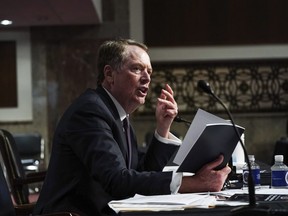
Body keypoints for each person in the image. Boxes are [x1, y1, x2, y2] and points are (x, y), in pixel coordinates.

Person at [33, 39, 231, 216]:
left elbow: (138, 171)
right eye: (137, 69)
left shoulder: (119, 114)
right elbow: (117, 181)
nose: (147, 78)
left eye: (149, 71)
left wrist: (163, 128)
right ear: (110, 74)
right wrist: (193, 184)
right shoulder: (90, 111)